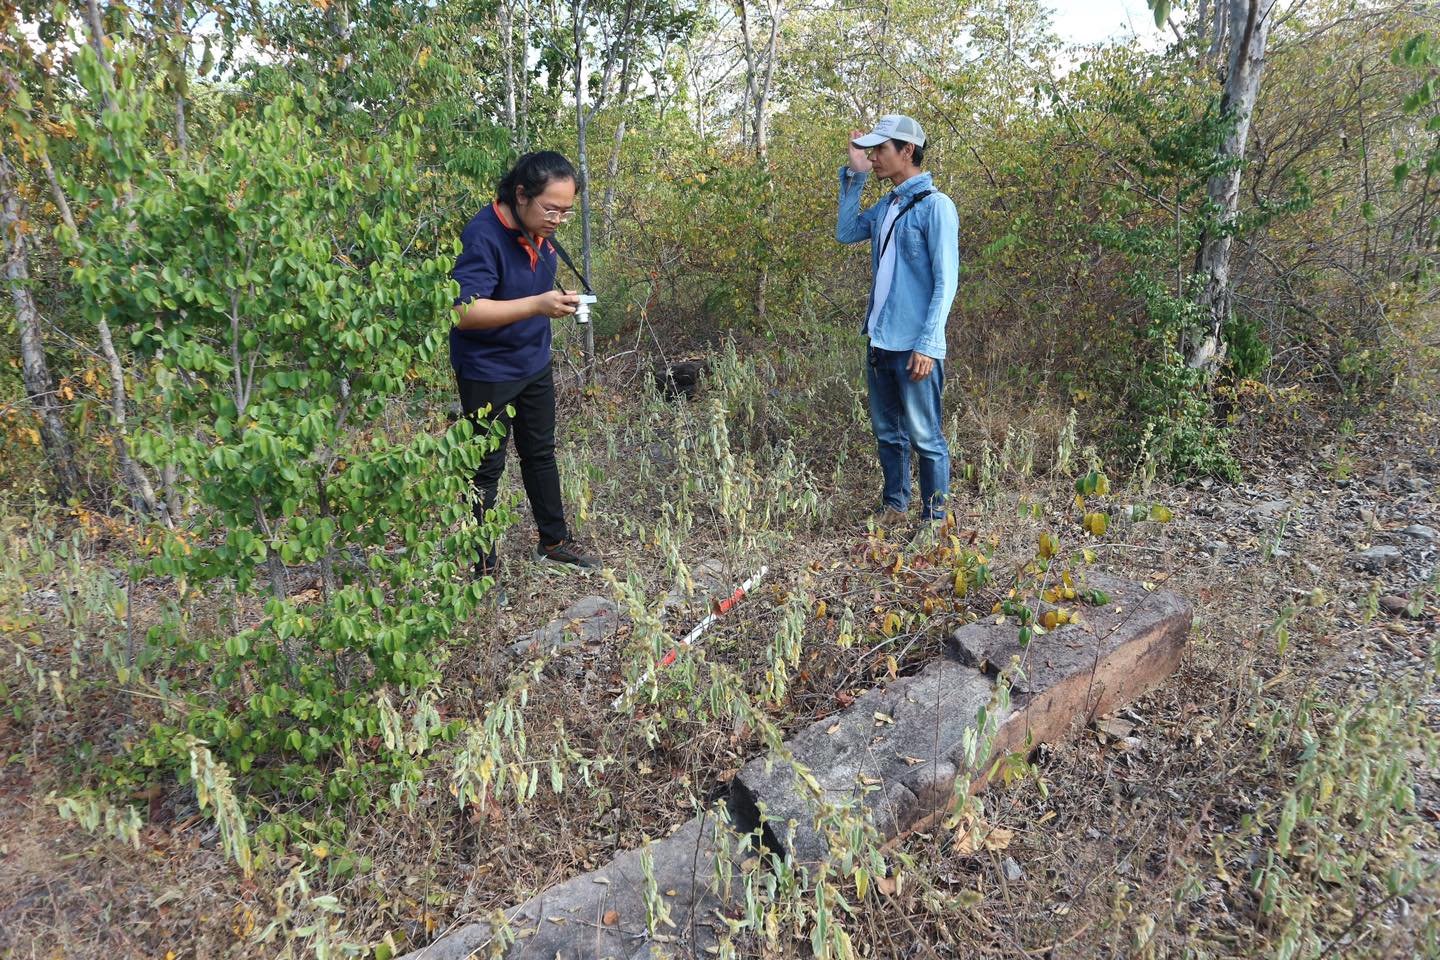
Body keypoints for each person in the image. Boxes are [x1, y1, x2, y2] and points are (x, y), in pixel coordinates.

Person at [451, 151, 597, 582]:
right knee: (485, 469)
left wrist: (554, 303)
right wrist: (537, 304)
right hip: (487, 371)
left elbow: (531, 290)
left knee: (540, 453)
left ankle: (553, 543)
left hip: (533, 362)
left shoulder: (540, 232)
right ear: (520, 195)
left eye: (566, 212)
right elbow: (463, 312)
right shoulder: (483, 234)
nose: (557, 220)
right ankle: (483, 569)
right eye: (551, 209)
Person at [836, 115, 960, 528]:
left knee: (926, 436)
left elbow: (946, 281)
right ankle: (895, 506)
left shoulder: (936, 207)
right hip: (880, 341)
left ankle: (934, 521)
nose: (873, 157)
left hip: (914, 346)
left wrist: (929, 343)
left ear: (907, 151)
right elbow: (846, 232)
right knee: (888, 432)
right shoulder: (888, 205)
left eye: (880, 150)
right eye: (871, 151)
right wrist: (855, 176)